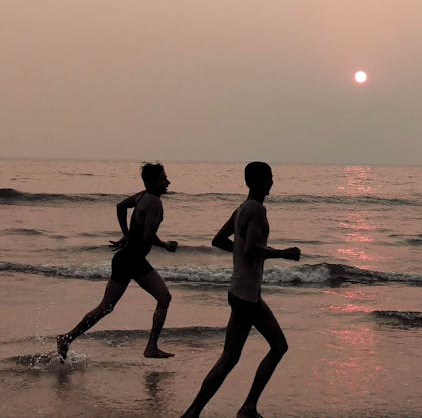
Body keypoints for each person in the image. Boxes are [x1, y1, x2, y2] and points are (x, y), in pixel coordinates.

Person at [182, 161, 301, 418]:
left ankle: (234, 408)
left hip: (242, 291)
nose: (272, 182)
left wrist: (243, 251)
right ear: (257, 181)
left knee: (237, 355)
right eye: (269, 177)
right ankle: (229, 409)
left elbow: (219, 240)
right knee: (257, 351)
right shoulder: (257, 210)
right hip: (246, 295)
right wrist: (283, 253)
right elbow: (250, 248)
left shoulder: (242, 208)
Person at [57, 162, 178, 361]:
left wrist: (128, 235)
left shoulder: (141, 196)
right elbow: (147, 236)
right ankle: (151, 347)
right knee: (164, 298)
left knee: (106, 307)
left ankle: (67, 338)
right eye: (164, 179)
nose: (168, 182)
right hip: (132, 260)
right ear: (154, 181)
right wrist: (165, 245)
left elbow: (121, 206)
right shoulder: (155, 202)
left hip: (125, 259)